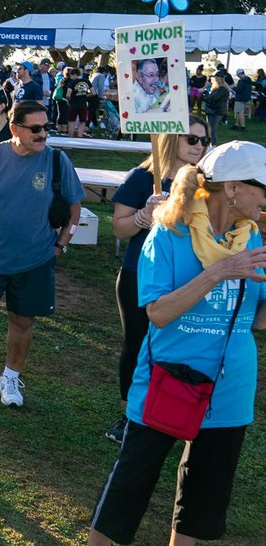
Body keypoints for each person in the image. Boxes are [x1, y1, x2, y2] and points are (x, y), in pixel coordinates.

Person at [55, 140, 266, 546]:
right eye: (261, 187)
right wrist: (219, 271)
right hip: (169, 380)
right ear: (232, 188)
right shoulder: (169, 234)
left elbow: (257, 316)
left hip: (230, 385)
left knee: (205, 483)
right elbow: (158, 312)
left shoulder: (251, 236)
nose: (265, 198)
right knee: (134, 473)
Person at [0, 101, 85, 408]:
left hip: (35, 259)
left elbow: (74, 209)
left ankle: (10, 378)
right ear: (14, 129)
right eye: (35, 129)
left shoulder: (56, 160)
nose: (43, 135)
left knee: (23, 320)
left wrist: (62, 244)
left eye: (47, 128)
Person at [104, 119, 211, 444]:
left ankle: (171, 411)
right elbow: (119, 228)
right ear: (171, 139)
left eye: (204, 140)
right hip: (141, 272)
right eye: (192, 138)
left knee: (179, 345)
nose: (199, 146)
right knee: (138, 343)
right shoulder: (142, 178)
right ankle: (130, 415)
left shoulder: (205, 184)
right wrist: (143, 216)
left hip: (186, 277)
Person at [202, 74, 230, 146]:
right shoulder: (216, 88)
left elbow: (213, 98)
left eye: (213, 78)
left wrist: (206, 93)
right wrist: (205, 96)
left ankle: (213, 145)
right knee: (210, 129)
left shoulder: (222, 89)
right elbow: (209, 99)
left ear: (216, 79)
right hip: (212, 110)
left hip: (217, 111)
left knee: (212, 130)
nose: (211, 79)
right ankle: (211, 144)